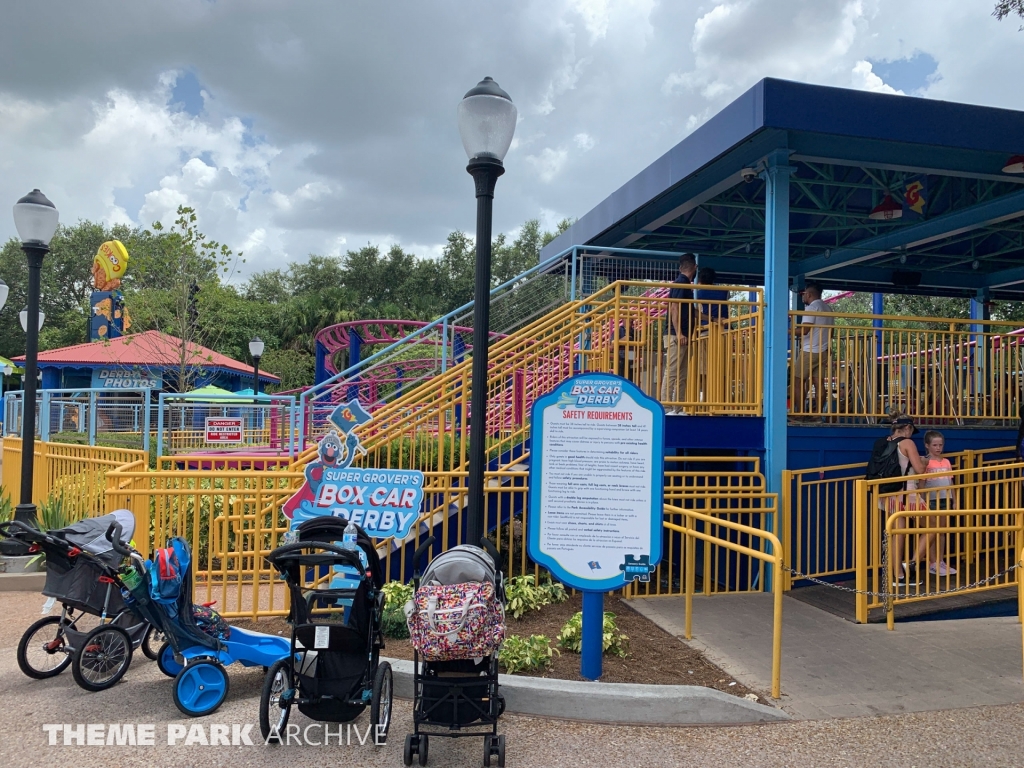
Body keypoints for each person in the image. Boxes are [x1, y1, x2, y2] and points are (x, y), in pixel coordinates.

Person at [871, 415, 928, 586]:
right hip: (907, 492)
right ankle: (911, 563)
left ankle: (898, 575)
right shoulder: (907, 443)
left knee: (897, 533)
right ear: (908, 428)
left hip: (888, 493)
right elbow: (919, 470)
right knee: (934, 526)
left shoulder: (882, 442)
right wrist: (925, 462)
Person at [916, 430, 958, 577]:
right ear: (927, 446)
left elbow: (950, 481)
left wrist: (954, 500)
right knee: (933, 531)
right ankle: (932, 562)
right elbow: (921, 482)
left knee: (942, 531)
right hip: (931, 500)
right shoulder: (925, 462)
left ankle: (940, 561)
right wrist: (921, 499)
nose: (938, 448)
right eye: (935, 445)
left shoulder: (946, 461)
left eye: (940, 445)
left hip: (945, 498)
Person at [660, 253, 696, 414]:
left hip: (682, 335)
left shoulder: (683, 283)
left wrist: (712, 318)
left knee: (681, 373)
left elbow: (690, 310)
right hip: (677, 334)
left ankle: (678, 408)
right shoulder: (681, 283)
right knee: (672, 371)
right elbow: (675, 307)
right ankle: (667, 407)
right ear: (694, 267)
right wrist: (680, 332)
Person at [792, 282, 834, 417]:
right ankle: (817, 413)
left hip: (809, 351)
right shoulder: (828, 308)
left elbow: (804, 330)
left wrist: (786, 330)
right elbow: (831, 333)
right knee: (819, 382)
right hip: (823, 351)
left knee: (798, 381)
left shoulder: (811, 307)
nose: (802, 297)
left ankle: (800, 413)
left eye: (803, 294)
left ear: (808, 294)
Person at [695, 267, 729, 407]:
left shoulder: (699, 292)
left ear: (701, 279)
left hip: (705, 331)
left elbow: (697, 310)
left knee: (703, 370)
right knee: (720, 367)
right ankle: (720, 400)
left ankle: (704, 400)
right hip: (723, 332)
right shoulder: (724, 291)